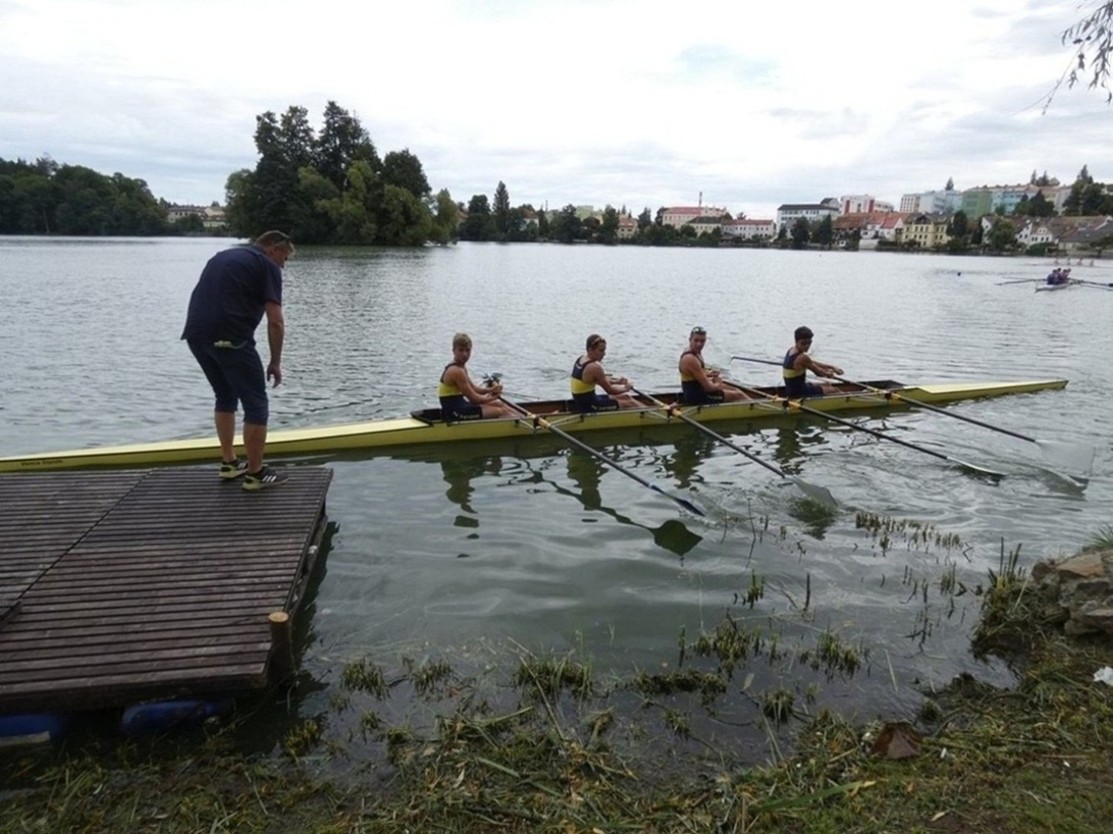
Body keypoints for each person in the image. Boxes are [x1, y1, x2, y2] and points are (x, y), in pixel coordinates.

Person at [181, 231, 293, 491]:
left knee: (225, 395)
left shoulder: (223, 256)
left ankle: (229, 463)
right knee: (256, 404)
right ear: (274, 248)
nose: (283, 266)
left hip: (196, 336)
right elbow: (276, 321)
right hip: (231, 338)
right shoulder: (266, 265)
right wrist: (275, 362)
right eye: (285, 258)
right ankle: (255, 474)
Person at [437, 333, 516, 420]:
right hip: (455, 413)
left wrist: (491, 390)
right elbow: (474, 399)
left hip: (460, 406)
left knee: (498, 403)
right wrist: (493, 397)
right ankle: (520, 421)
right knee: (500, 411)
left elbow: (474, 389)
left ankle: (523, 418)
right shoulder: (456, 371)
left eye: (467, 350)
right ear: (453, 351)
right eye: (461, 350)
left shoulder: (461, 367)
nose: (465, 354)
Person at [570, 334, 639, 412]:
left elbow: (599, 380)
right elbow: (610, 390)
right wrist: (626, 388)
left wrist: (617, 381)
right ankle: (647, 414)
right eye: (601, 350)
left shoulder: (581, 359)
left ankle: (645, 411)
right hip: (590, 406)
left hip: (587, 400)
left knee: (626, 397)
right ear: (590, 350)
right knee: (630, 403)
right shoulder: (594, 367)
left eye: (604, 350)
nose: (604, 354)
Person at [678, 326, 747, 404]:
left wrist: (708, 374)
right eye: (696, 340)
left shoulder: (696, 352)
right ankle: (756, 407)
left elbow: (695, 374)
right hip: (698, 397)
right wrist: (718, 383)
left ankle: (752, 405)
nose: (699, 344)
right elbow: (709, 388)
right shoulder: (690, 358)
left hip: (698, 390)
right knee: (738, 395)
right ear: (690, 340)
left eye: (702, 341)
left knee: (736, 389)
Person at [782, 326, 843, 398]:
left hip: (794, 389)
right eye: (803, 343)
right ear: (796, 341)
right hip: (800, 393)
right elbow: (819, 373)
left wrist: (832, 367)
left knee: (827, 384)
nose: (807, 346)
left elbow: (811, 363)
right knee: (835, 390)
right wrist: (828, 374)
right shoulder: (802, 358)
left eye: (809, 343)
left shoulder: (791, 350)